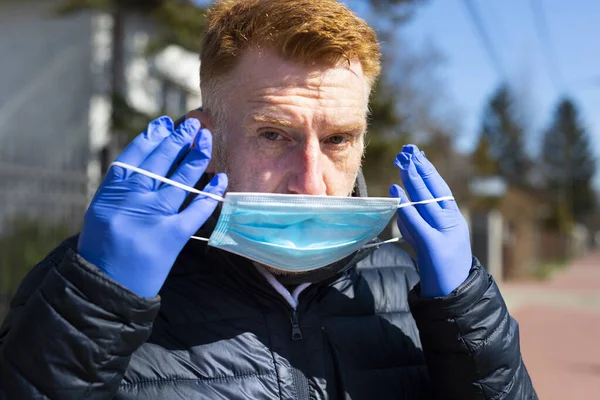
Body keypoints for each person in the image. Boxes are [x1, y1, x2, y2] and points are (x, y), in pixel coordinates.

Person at [0, 0, 537, 398]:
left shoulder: (413, 287)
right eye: (274, 135)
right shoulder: (93, 285)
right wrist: (94, 306)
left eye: (337, 139)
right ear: (206, 140)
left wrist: (468, 315)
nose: (311, 180)